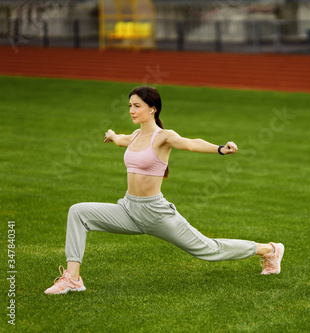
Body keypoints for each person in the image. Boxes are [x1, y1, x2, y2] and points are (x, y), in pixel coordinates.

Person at [44, 86, 285, 295]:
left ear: (152, 109)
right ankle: (73, 279)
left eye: (137, 106)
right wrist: (112, 135)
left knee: (209, 249)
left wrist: (221, 149)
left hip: (156, 213)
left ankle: (269, 250)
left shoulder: (163, 137)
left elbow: (191, 144)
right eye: (130, 105)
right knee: (78, 212)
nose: (131, 110)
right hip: (128, 210)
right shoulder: (136, 135)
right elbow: (120, 139)